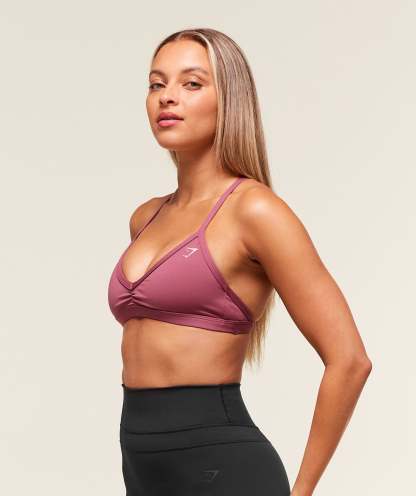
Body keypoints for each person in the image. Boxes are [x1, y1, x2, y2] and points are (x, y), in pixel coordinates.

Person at [107, 28, 372, 496]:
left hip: (223, 467)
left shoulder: (255, 211)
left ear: (229, 99)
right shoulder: (145, 217)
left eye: (191, 83)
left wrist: (301, 491)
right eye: (156, 84)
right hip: (141, 466)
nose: (167, 97)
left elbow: (349, 360)